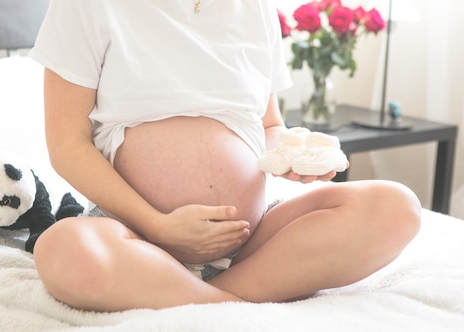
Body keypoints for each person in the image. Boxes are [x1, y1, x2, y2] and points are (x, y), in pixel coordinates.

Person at [28, 0, 421, 312]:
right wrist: (159, 224)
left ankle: (201, 295)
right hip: (136, 234)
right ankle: (229, 305)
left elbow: (269, 125)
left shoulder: (256, 6)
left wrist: (292, 154)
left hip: (247, 240)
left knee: (396, 207)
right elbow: (68, 144)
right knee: (62, 251)